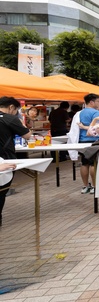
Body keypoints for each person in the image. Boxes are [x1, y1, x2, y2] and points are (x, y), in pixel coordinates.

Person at [0, 96, 32, 226]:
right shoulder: (10, 118)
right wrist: (22, 124)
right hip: (5, 159)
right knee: (2, 191)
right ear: (11, 107)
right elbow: (27, 135)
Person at [77, 93, 99, 194]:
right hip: (94, 140)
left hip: (82, 140)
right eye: (98, 101)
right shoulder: (96, 113)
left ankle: (85, 185)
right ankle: (94, 185)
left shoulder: (80, 113)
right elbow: (97, 128)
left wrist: (83, 127)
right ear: (92, 102)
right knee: (93, 163)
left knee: (84, 163)